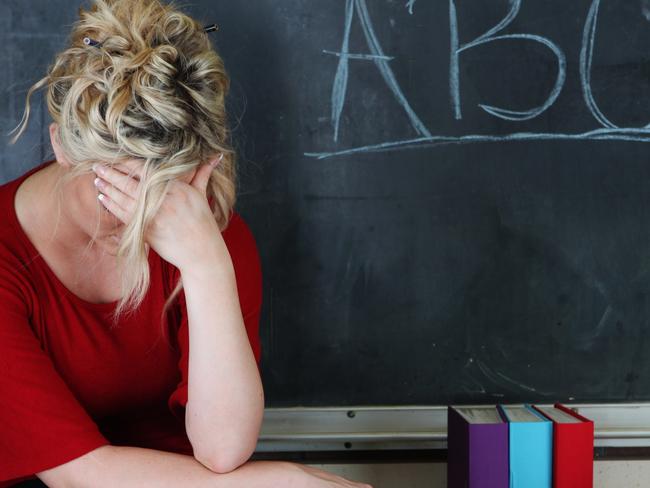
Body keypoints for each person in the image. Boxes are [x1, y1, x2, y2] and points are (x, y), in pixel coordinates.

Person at [0, 0, 373, 487]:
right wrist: (280, 483)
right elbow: (75, 473)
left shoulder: (197, 225)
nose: (139, 217)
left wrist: (206, 265)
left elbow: (223, 449)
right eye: (116, 186)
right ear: (62, 145)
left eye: (163, 191)